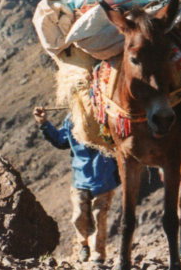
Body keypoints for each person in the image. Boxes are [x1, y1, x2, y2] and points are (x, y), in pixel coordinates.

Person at [32, 107, 119, 263]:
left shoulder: (107, 115)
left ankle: (97, 255)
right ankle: (84, 245)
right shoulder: (72, 118)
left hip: (104, 177)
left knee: (99, 217)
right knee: (78, 216)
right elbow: (61, 140)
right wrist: (44, 123)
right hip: (80, 177)